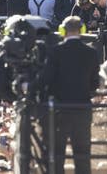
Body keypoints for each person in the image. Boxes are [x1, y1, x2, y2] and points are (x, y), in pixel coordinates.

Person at [41, 16, 100, 174]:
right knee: (82, 153)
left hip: (60, 110)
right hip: (82, 109)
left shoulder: (55, 51)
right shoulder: (91, 53)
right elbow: (95, 83)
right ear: (82, 30)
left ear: (63, 31)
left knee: (58, 153)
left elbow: (46, 79)